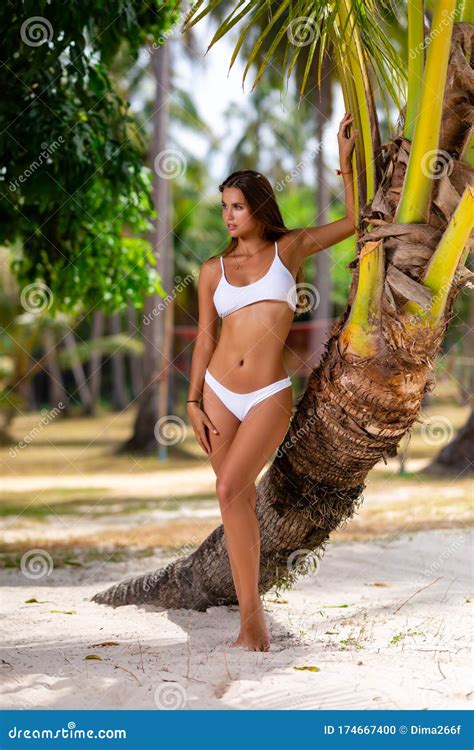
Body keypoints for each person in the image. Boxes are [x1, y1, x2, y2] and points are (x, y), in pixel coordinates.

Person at [187, 113, 358, 651]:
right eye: (224, 208)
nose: (229, 216)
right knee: (232, 499)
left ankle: (252, 620)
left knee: (227, 487)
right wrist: (192, 400)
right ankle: (248, 616)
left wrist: (347, 163)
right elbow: (205, 339)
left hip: (266, 395)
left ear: (258, 207)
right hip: (216, 392)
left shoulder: (290, 249)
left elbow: (355, 220)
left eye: (237, 206)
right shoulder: (212, 270)